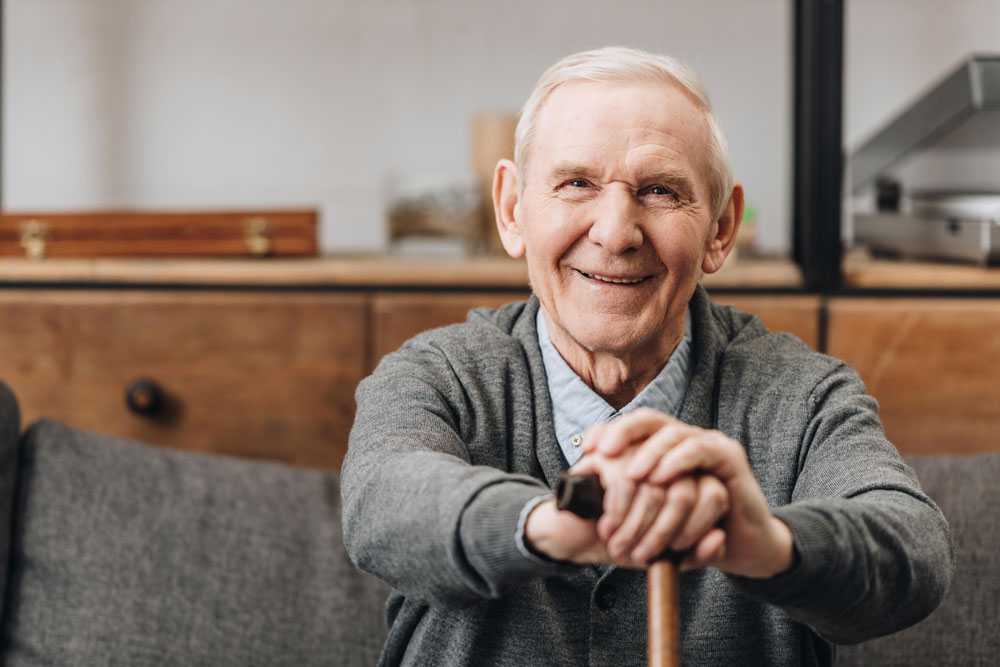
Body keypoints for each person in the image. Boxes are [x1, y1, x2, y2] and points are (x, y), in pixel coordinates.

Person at [342, 46, 953, 666]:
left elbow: (915, 551)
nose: (615, 232)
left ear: (719, 229)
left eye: (660, 191)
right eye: (576, 184)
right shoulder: (437, 375)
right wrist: (555, 522)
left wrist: (765, 543)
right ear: (511, 209)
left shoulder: (803, 395)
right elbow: (380, 507)